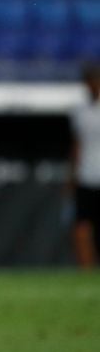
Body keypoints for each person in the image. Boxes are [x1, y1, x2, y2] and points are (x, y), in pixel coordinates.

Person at [70, 64, 100, 268]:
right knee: (82, 227)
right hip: (86, 177)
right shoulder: (80, 112)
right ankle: (86, 270)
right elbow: (77, 145)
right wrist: (72, 174)